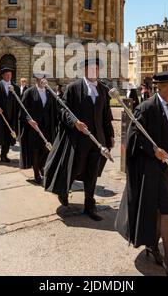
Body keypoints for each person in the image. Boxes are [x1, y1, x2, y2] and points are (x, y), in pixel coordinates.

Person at [115, 71, 168, 276]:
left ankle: (152, 245)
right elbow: (133, 138)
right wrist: (153, 150)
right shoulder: (146, 108)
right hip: (152, 172)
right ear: (163, 88)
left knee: (162, 213)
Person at [44, 58, 115, 221]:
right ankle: (64, 190)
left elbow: (106, 115)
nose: (94, 72)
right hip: (79, 138)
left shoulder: (103, 89)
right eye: (91, 69)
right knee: (75, 168)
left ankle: (90, 206)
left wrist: (110, 135)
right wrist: (74, 122)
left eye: (96, 69)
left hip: (98, 139)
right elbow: (63, 110)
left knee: (92, 173)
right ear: (84, 71)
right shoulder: (73, 88)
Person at [20, 74, 58, 185]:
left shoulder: (49, 92)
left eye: (44, 79)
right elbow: (23, 109)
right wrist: (29, 120)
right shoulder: (29, 92)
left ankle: (41, 165)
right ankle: (36, 173)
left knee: (46, 149)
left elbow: (54, 109)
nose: (42, 81)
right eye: (40, 79)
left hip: (47, 127)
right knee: (35, 151)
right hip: (34, 128)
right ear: (36, 80)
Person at [0, 67, 20, 164]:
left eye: (10, 74)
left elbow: (18, 102)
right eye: (6, 74)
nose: (9, 76)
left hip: (10, 118)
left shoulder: (16, 88)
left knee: (7, 138)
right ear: (2, 75)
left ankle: (4, 155)